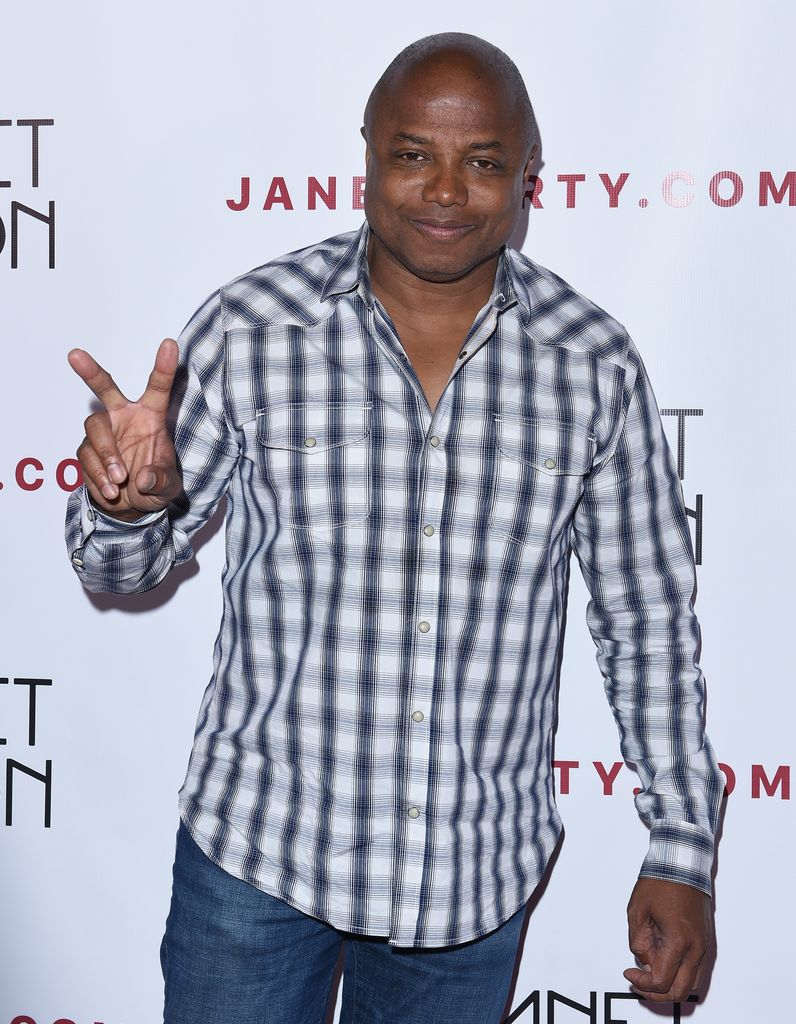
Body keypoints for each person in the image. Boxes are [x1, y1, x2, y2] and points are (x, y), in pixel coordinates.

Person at [65, 32, 723, 1024]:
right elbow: (118, 569)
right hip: (257, 861)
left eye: (483, 162)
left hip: (466, 887)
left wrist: (681, 848)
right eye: (414, 155)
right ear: (367, 156)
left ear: (526, 177)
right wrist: (126, 505)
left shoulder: (592, 363)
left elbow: (647, 623)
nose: (447, 191)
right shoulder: (252, 328)